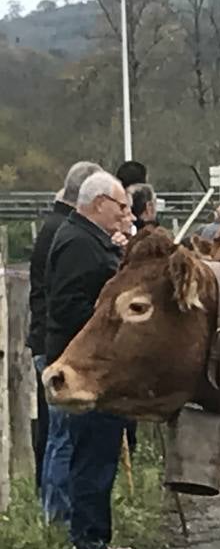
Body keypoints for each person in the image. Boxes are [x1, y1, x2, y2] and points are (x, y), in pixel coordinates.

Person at [43, 170, 137, 549]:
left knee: (96, 454)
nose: (126, 213)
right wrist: (110, 321)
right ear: (98, 204)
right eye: (121, 206)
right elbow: (66, 308)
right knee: (91, 455)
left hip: (89, 365)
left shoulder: (87, 238)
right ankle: (89, 541)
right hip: (84, 368)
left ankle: (93, 537)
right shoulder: (80, 244)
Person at [27, 161, 102, 495]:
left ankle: (54, 509)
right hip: (56, 342)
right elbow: (65, 298)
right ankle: (56, 512)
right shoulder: (68, 233)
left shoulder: (55, 226)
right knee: (62, 436)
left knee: (57, 434)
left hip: (48, 338)